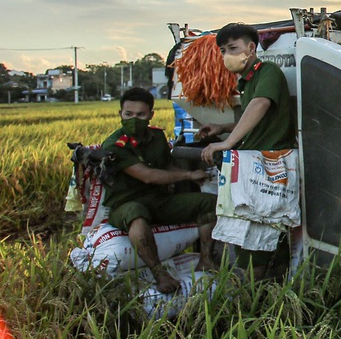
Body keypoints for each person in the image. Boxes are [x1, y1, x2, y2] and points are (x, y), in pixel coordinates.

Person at [199, 22, 297, 278]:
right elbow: (255, 120)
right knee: (249, 234)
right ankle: (260, 292)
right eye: (222, 51)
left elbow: (261, 105)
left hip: (268, 164)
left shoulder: (268, 72)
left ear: (251, 48)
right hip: (255, 162)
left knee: (258, 239)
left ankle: (254, 296)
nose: (226, 56)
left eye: (232, 48)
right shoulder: (247, 81)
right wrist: (222, 128)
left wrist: (227, 142)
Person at [101, 87, 217, 294]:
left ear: (150, 115)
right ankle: (159, 273)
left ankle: (206, 259)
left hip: (158, 199)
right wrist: (189, 175)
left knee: (208, 203)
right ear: (120, 114)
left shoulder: (156, 137)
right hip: (125, 203)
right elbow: (148, 175)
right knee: (136, 215)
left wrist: (194, 175)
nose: (134, 119)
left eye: (140, 115)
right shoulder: (115, 145)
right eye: (128, 114)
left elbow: (167, 166)